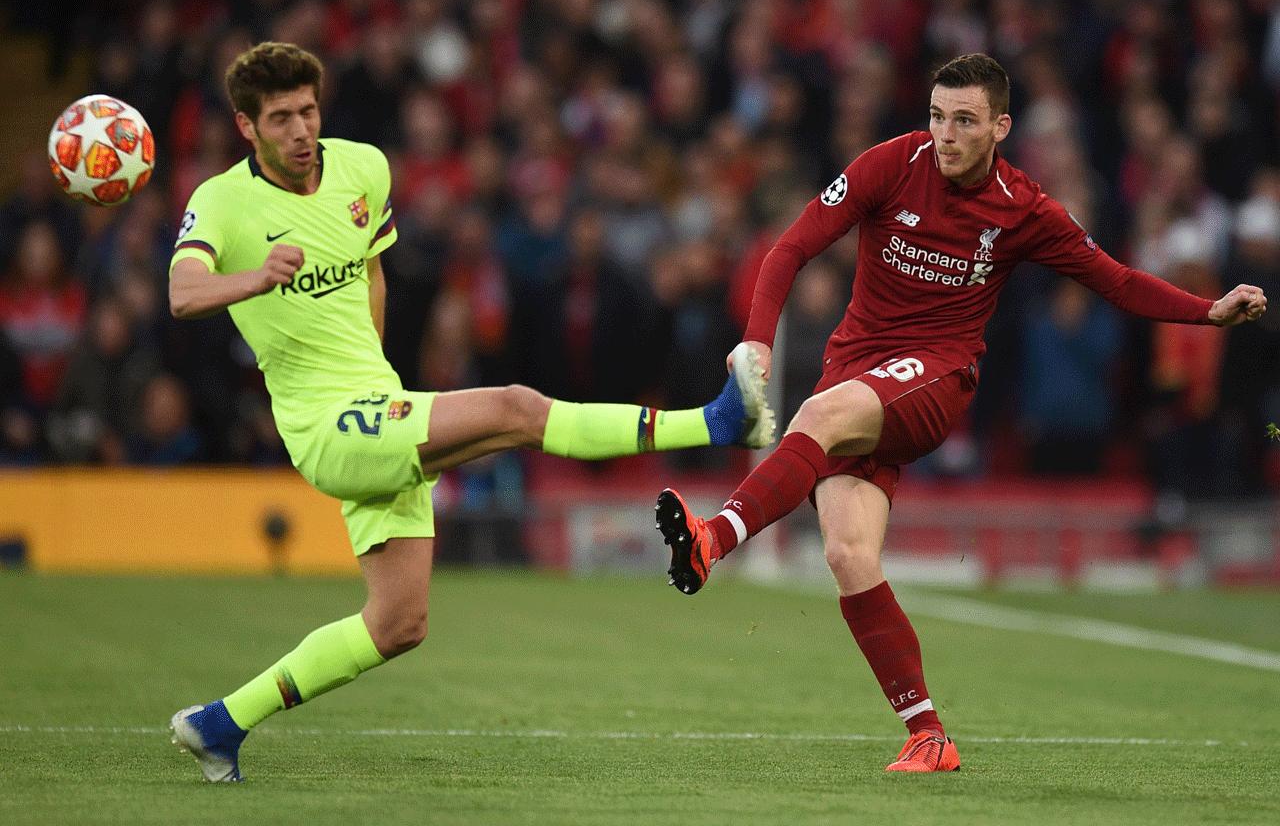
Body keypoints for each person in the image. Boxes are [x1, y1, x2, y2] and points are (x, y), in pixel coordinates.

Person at [166, 41, 776, 783]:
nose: (301, 130)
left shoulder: (361, 167)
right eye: (281, 118)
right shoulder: (222, 201)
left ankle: (220, 725)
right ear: (246, 126)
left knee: (398, 623)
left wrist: (379, 377)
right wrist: (255, 278)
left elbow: (372, 273)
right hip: (323, 428)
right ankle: (716, 422)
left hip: (376, 405)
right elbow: (183, 293)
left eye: (309, 111)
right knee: (517, 409)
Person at [654, 54, 1268, 774]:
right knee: (849, 556)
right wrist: (758, 337)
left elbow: (1118, 282)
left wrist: (1207, 312)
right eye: (937, 116)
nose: (945, 134)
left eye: (965, 121)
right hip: (856, 370)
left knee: (816, 416)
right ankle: (929, 735)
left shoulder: (1024, 208)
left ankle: (712, 538)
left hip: (936, 376)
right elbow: (791, 246)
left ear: (1000, 127)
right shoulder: (891, 164)